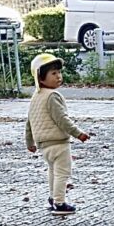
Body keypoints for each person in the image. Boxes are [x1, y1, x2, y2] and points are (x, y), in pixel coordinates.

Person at [25, 53, 89, 215]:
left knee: (53, 171)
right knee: (62, 173)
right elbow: (62, 119)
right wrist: (78, 133)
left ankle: (53, 197)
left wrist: (30, 142)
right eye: (53, 73)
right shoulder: (52, 96)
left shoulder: (36, 96)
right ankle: (59, 203)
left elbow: (29, 121)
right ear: (40, 78)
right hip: (58, 142)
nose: (58, 76)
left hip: (44, 145)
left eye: (59, 72)